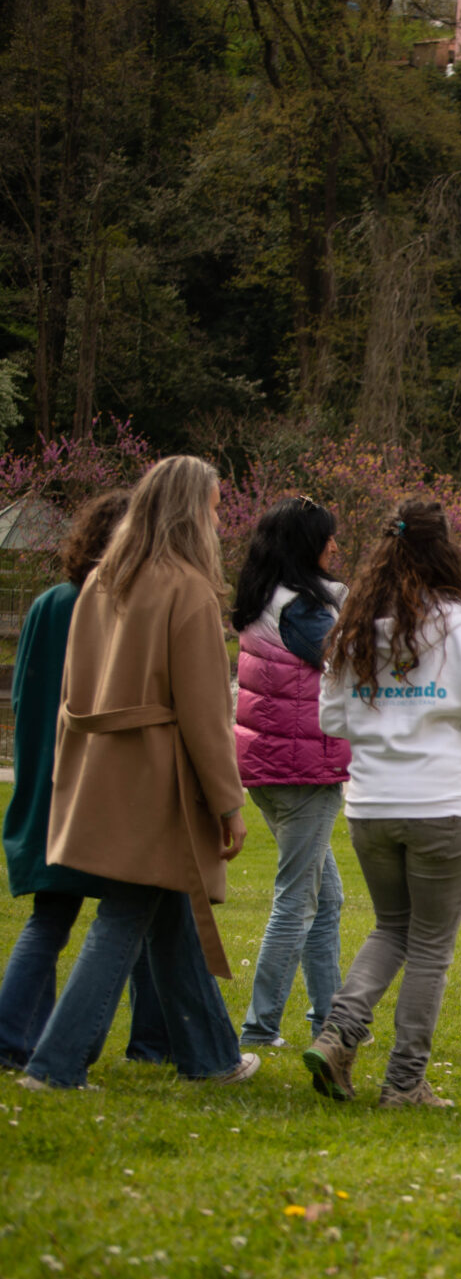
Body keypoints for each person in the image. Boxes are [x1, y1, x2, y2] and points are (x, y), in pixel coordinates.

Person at [21, 457, 257, 1090]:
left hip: (104, 772)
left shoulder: (101, 580)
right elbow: (208, 713)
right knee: (125, 915)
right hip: (158, 782)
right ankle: (54, 1064)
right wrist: (227, 805)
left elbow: (75, 693)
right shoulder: (185, 589)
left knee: (163, 907)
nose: (217, 519)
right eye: (212, 506)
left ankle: (211, 1058)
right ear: (189, 509)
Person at [306, 500, 461, 1107]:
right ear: (446, 549)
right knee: (429, 947)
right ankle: (403, 1082)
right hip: (441, 800)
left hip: (370, 803)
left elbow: (331, 716)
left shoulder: (357, 620)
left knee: (391, 927)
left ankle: (340, 1033)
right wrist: (442, 706)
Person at [0, 490, 172, 1071]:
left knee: (50, 917)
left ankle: (15, 1037)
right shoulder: (114, 608)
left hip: (43, 778)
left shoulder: (49, 603)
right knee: (134, 911)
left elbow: (25, 696)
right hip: (97, 785)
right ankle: (138, 1042)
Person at [231, 496, 351, 1049]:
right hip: (304, 770)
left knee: (327, 899)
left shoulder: (262, 598)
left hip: (270, 768)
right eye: (328, 537)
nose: (336, 546)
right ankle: (260, 1028)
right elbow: (347, 663)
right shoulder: (302, 608)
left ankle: (330, 1019)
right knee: (297, 901)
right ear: (308, 544)